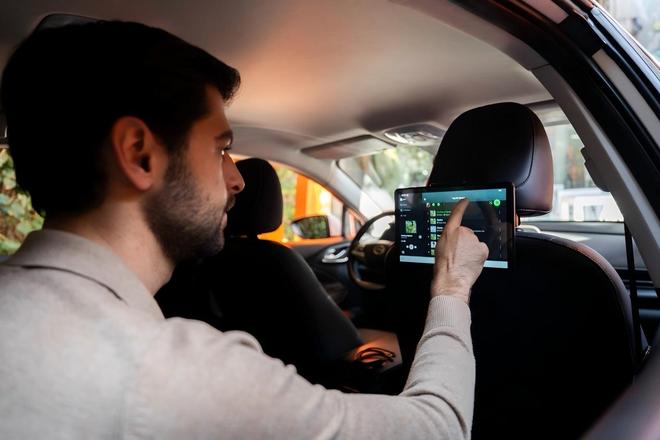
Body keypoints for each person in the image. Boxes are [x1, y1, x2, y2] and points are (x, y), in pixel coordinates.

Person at [0, 20, 488, 439]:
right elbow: (437, 428)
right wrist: (451, 288)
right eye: (220, 149)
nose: (236, 180)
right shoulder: (168, 370)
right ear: (139, 154)